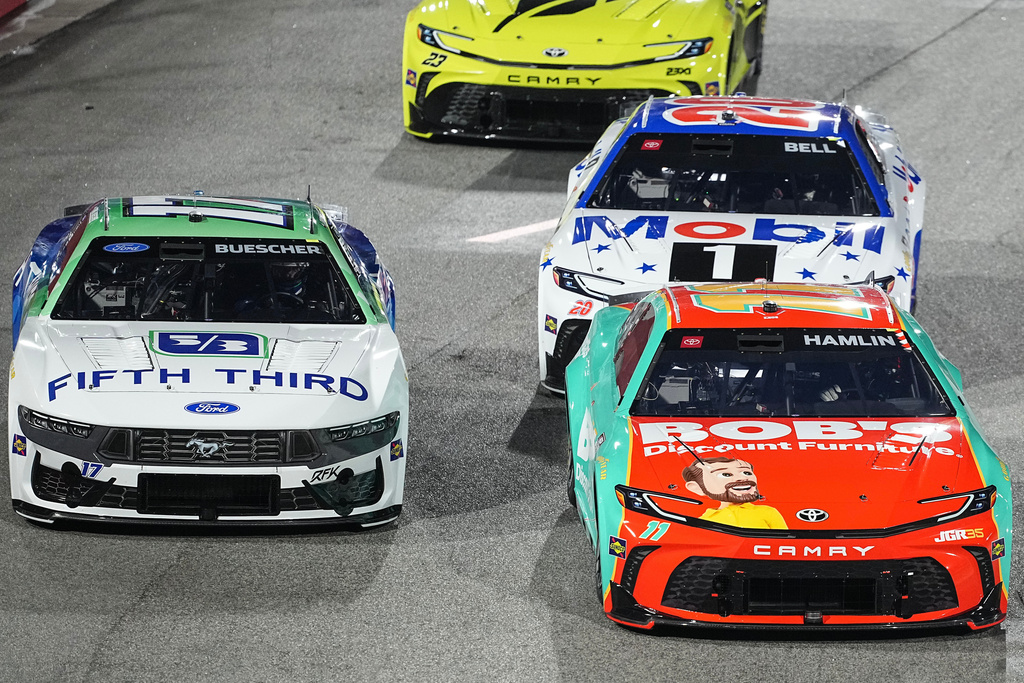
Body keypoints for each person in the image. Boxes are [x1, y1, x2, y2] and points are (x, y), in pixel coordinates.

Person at [682, 456, 787, 529]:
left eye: (746, 472)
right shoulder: (704, 521)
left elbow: (784, 544)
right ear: (697, 488)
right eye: (725, 474)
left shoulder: (768, 512)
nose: (742, 478)